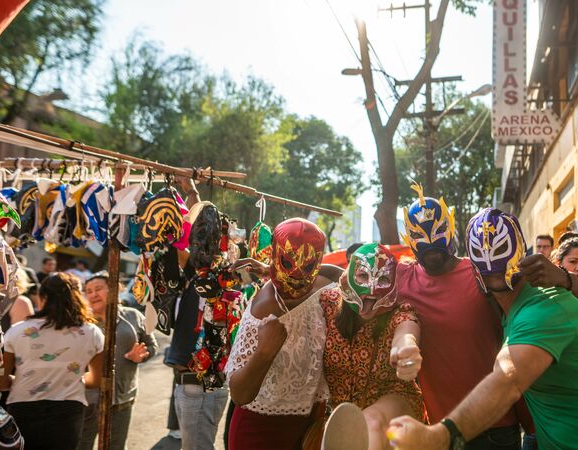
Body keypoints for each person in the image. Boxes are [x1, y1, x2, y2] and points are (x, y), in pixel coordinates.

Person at [387, 208, 578, 450]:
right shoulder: (515, 307)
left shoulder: (543, 307)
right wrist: (568, 281)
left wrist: (439, 437)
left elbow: (509, 379)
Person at [396, 185, 578, 450]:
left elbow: (573, 296)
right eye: (420, 236)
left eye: (438, 232)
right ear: (408, 236)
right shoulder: (402, 278)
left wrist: (564, 277)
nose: (431, 243)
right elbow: (345, 279)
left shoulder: (485, 273)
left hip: (495, 424)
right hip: (438, 427)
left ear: (450, 228)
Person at [225, 218, 336, 450]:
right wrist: (264, 353)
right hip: (260, 432)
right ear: (276, 253)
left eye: (307, 266)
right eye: (287, 262)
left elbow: (345, 275)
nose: (296, 275)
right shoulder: (265, 306)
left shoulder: (320, 286)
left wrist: (270, 268)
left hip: (308, 429)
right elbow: (238, 393)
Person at [321, 243, 424, 450]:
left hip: (393, 402)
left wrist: (406, 350)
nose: (372, 289)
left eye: (383, 279)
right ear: (350, 276)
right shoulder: (325, 304)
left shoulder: (400, 312)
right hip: (335, 418)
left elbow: (406, 332)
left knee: (370, 423)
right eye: (362, 277)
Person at [0, 273, 104, 449]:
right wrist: (69, 378)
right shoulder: (91, 333)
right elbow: (96, 380)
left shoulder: (17, 331)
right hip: (69, 410)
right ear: (78, 298)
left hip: (23, 408)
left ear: (42, 298)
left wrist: (28, 379)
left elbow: (1, 381)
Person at [164, 177, 229, 450]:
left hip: (198, 384)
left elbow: (192, 237)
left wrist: (191, 192)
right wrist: (190, 191)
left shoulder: (209, 273)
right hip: (197, 381)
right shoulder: (210, 272)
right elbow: (197, 225)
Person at [78, 271, 157, 450]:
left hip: (122, 397)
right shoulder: (82, 322)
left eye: (98, 289)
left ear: (114, 289)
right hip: (88, 399)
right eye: (88, 291)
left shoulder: (133, 316)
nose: (93, 294)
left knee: (116, 446)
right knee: (82, 444)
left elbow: (152, 345)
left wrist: (141, 356)